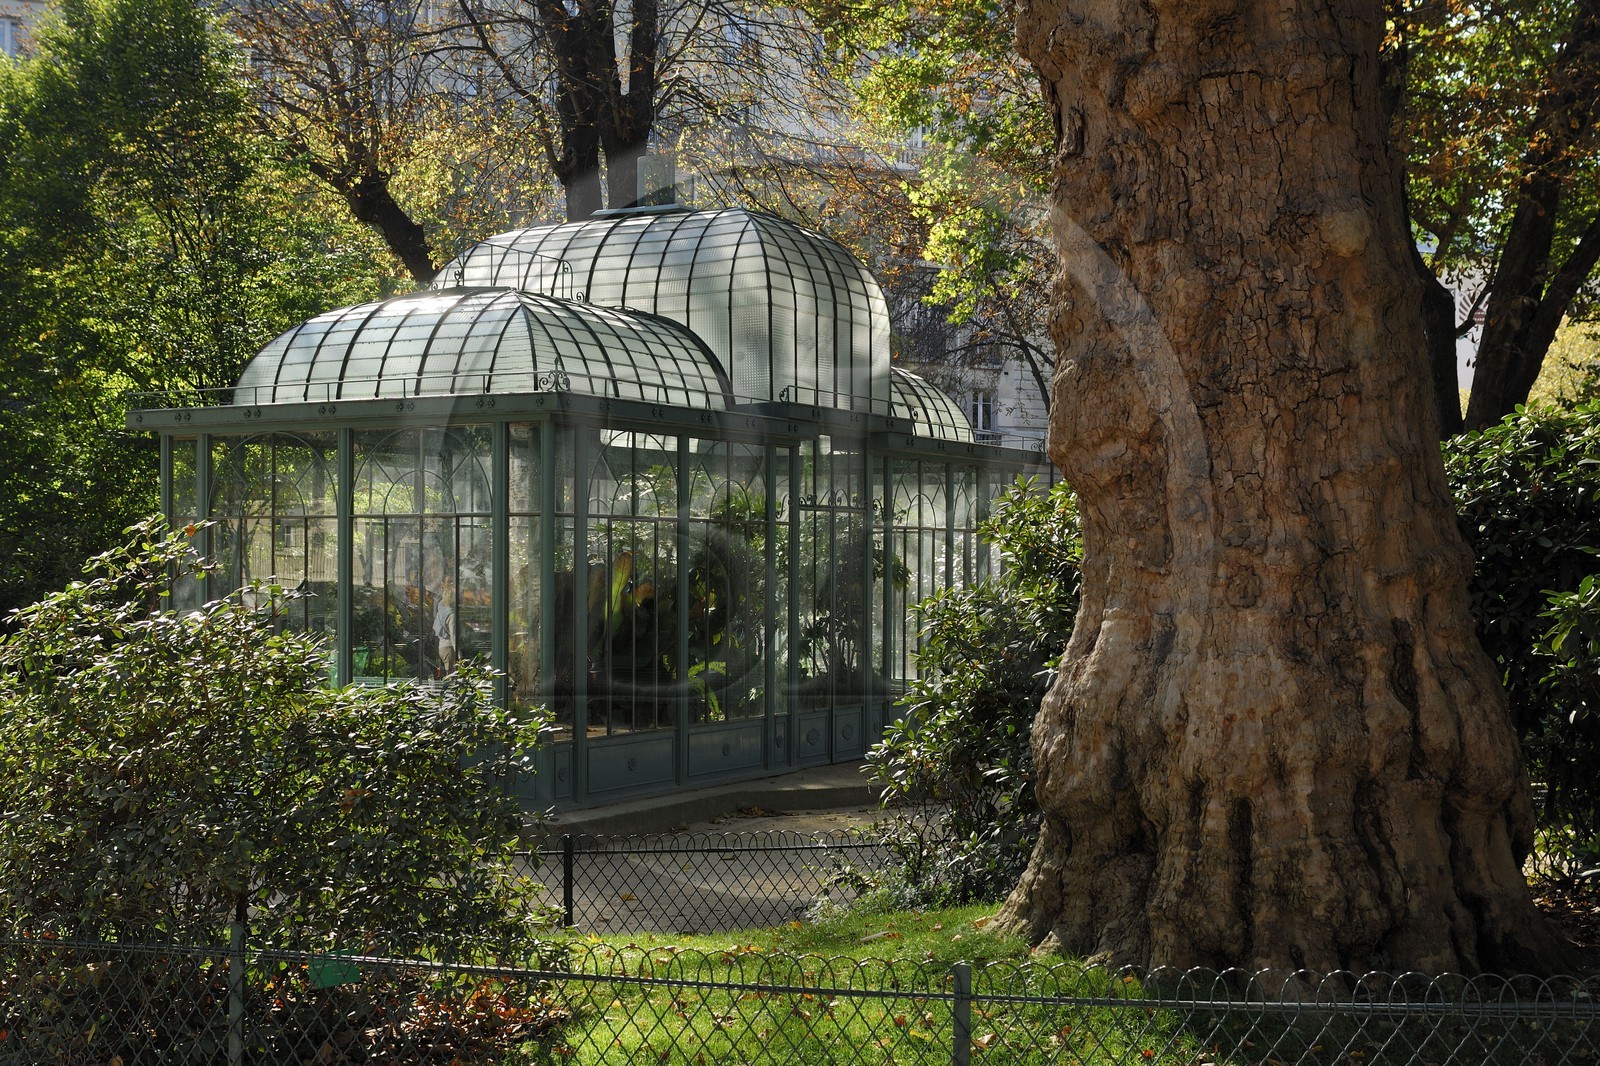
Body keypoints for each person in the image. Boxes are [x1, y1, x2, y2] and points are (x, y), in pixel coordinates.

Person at [433, 576, 457, 676]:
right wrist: (459, 653)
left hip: (441, 647)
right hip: (449, 647)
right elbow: (453, 635)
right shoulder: (451, 614)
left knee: (447, 673)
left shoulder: (440, 609)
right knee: (451, 676)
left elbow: (435, 625)